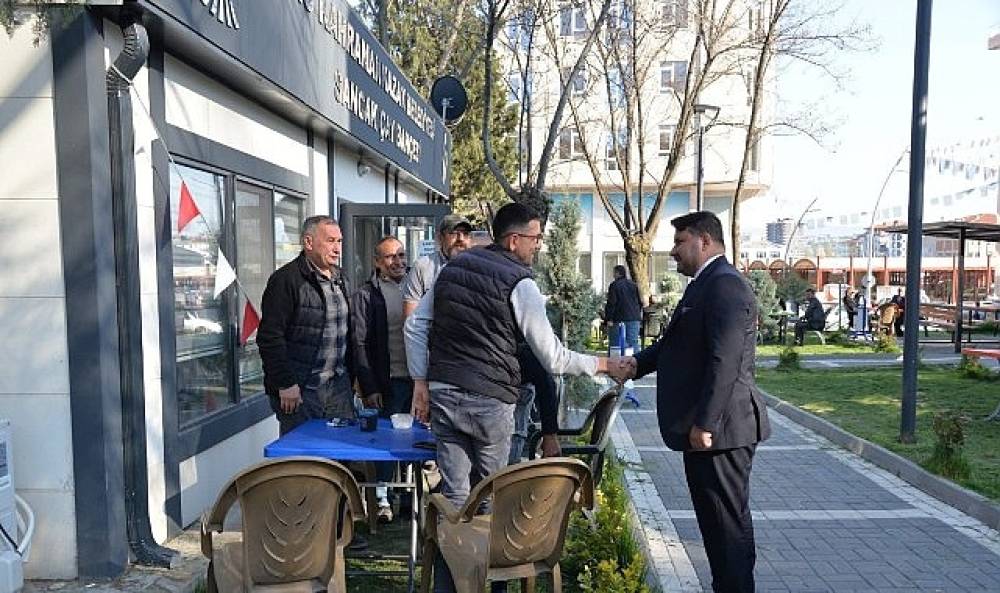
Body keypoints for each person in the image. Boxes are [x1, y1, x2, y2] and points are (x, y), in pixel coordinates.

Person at [404, 203, 632, 593]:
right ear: (513, 240)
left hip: (444, 393)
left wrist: (420, 382)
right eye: (536, 238)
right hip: (490, 401)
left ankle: (453, 584)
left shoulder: (452, 269)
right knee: (491, 498)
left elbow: (414, 327)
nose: (539, 245)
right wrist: (604, 364)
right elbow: (553, 358)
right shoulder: (520, 283)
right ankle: (492, 585)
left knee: (455, 499)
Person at [621, 211, 770, 593]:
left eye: (679, 241)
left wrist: (706, 422)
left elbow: (726, 360)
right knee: (717, 527)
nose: (673, 251)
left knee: (726, 529)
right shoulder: (705, 284)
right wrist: (636, 364)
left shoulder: (725, 286)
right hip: (710, 431)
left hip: (722, 432)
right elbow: (676, 344)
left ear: (704, 240)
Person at [258, 215, 354, 435]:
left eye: (339, 241)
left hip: (338, 389)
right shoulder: (286, 280)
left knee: (341, 450)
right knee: (304, 454)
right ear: (308, 242)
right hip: (301, 390)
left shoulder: (342, 278)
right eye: (330, 241)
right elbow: (270, 337)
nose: (337, 248)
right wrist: (285, 383)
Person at [352, 236, 412, 523]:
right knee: (386, 443)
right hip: (388, 382)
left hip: (417, 381)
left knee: (415, 443)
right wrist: (369, 386)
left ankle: (410, 499)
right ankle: (381, 500)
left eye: (401, 255)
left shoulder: (417, 287)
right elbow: (359, 343)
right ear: (377, 262)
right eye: (390, 257)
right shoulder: (366, 295)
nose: (397, 261)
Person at [402, 214, 472, 317]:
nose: (460, 238)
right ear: (440, 238)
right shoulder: (423, 267)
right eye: (453, 233)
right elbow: (410, 316)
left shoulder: (479, 267)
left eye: (465, 233)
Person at [605, 264, 643, 353]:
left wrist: (609, 318)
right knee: (633, 342)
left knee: (615, 343)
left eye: (614, 273)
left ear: (617, 273)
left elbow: (612, 303)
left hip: (618, 318)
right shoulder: (633, 285)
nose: (613, 275)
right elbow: (639, 301)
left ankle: (615, 360)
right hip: (634, 317)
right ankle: (635, 360)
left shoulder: (614, 285)